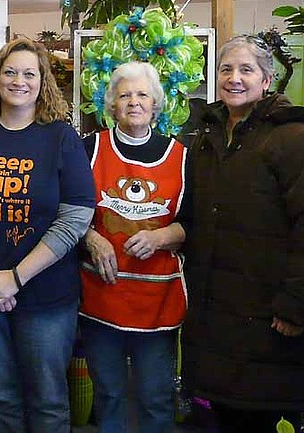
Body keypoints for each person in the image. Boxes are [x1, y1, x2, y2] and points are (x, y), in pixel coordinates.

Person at [181, 35, 304, 433]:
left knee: (263, 417)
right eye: (226, 69)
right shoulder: (206, 139)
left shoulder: (293, 139)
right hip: (215, 318)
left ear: (267, 80)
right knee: (217, 415)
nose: (234, 78)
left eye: (246, 70)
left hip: (271, 321)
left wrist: (298, 304)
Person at [0, 38, 95, 433]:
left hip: (46, 297)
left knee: (47, 400)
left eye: (29, 73)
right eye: (10, 72)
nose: (19, 81)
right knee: (2, 398)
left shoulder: (61, 137)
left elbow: (75, 218)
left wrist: (17, 277)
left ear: (43, 82)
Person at [80, 61, 189, 433]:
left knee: (156, 398)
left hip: (157, 303)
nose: (134, 102)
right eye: (124, 95)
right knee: (107, 396)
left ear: (156, 104)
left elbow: (197, 224)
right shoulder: (88, 149)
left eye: (142, 94)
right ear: (111, 105)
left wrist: (162, 236)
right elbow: (65, 211)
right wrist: (91, 238)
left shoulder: (182, 156)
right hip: (101, 300)